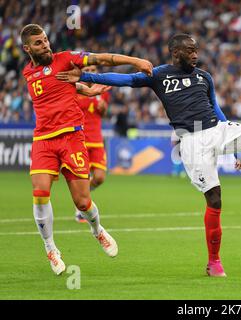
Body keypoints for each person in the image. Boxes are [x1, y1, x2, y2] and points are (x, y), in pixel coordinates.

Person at [56, 33, 241, 277]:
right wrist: (86, 76)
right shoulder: (160, 75)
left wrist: (236, 144)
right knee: (214, 198)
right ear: (176, 52)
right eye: (190, 51)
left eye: (196, 50)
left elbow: (215, 107)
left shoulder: (204, 76)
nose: (196, 55)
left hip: (217, 128)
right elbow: (125, 79)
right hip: (191, 142)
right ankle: (213, 262)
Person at [20, 23, 152, 275]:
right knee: (39, 192)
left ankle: (97, 230)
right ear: (27, 48)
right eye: (38, 43)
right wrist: (83, 89)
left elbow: (103, 59)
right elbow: (55, 86)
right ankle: (50, 248)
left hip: (72, 138)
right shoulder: (28, 73)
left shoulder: (66, 59)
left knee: (82, 202)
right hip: (44, 140)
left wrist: (136, 61)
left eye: (46, 39)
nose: (45, 44)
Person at [75, 65, 111, 223]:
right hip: (79, 140)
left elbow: (103, 112)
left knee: (100, 177)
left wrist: (104, 109)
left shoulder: (102, 90)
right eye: (87, 70)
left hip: (96, 140)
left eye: (93, 70)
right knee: (83, 178)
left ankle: (82, 200)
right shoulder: (75, 89)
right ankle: (81, 207)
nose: (90, 72)